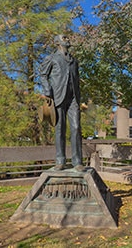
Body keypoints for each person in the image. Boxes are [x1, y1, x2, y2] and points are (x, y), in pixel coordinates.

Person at [39, 34, 83, 171]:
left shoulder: (74, 61)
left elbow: (77, 79)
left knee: (76, 127)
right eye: (64, 38)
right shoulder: (52, 58)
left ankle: (77, 162)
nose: (68, 39)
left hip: (73, 98)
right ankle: (60, 160)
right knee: (60, 129)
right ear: (57, 42)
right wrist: (47, 91)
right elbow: (43, 75)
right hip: (58, 96)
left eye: (68, 38)